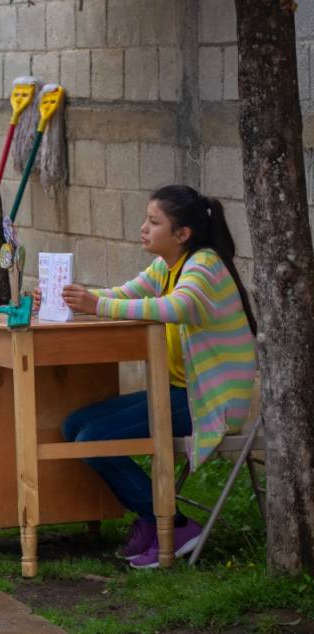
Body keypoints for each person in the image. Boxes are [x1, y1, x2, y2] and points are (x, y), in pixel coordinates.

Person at [35, 184, 257, 569]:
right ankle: (156, 519)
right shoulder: (166, 266)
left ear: (182, 234)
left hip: (206, 403)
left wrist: (97, 304)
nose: (143, 228)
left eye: (154, 222)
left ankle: (172, 523)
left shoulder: (203, 266)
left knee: (93, 440)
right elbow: (124, 294)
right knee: (74, 425)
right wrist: (72, 299)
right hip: (176, 393)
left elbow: (178, 306)